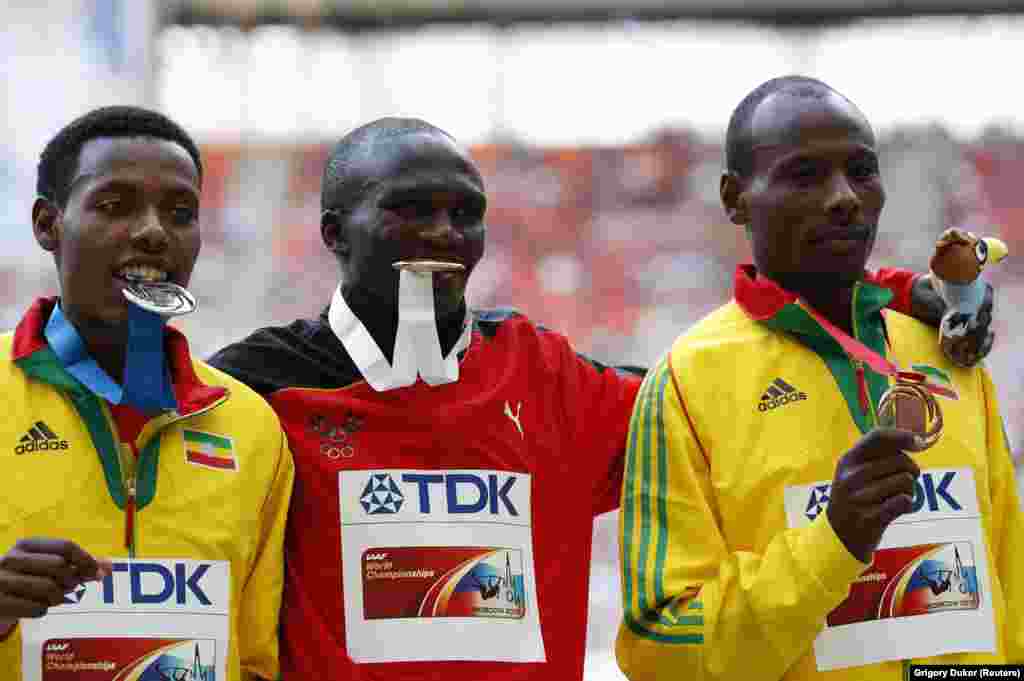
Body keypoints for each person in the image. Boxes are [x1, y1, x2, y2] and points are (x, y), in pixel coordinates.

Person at [207, 116, 988, 680]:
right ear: (335, 232)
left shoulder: (547, 377)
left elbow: (737, 390)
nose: (444, 232)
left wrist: (874, 293)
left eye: (465, 213)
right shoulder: (256, 390)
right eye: (412, 210)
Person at [616, 76, 1023, 681]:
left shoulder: (947, 352)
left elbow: (1008, 587)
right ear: (735, 198)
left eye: (862, 171)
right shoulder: (684, 381)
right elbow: (661, 648)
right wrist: (831, 541)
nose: (844, 198)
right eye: (804, 175)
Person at [0, 106, 294, 680]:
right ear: (47, 224)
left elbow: (258, 660)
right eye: (115, 206)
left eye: (181, 213)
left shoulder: (253, 427)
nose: (155, 231)